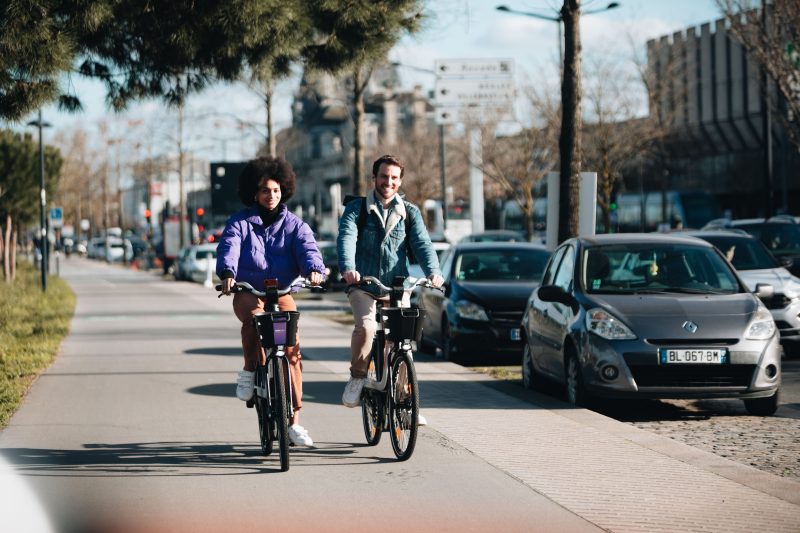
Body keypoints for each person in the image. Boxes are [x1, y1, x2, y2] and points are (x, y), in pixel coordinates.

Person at [216, 156, 325, 447]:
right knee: (254, 319)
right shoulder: (240, 222)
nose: (271, 195)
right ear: (254, 192)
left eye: (276, 190)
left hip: (283, 291)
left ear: (284, 190)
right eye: (265, 190)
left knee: (292, 350)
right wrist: (227, 273)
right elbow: (229, 246)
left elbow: (308, 249)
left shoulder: (295, 225)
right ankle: (250, 370)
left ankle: (294, 423)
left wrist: (314, 270)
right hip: (249, 289)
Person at [337, 154, 444, 416]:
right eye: (384, 176)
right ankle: (358, 376)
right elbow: (347, 237)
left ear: (400, 181)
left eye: (394, 177)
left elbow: (422, 244)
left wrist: (434, 273)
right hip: (364, 285)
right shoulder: (357, 209)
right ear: (374, 178)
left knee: (403, 342)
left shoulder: (409, 212)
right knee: (366, 327)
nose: (389, 182)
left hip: (397, 287)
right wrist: (348, 268)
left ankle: (405, 401)